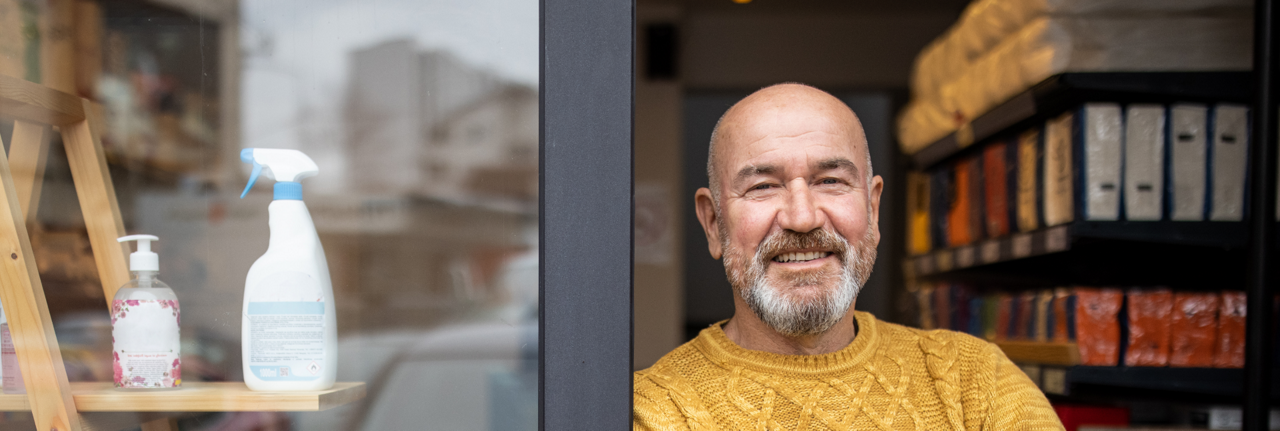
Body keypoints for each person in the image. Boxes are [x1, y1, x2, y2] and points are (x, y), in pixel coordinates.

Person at [633, 83, 1064, 430]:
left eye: (831, 181)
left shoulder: (975, 382)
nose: (803, 217)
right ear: (713, 223)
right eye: (763, 186)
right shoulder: (654, 412)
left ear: (873, 210)